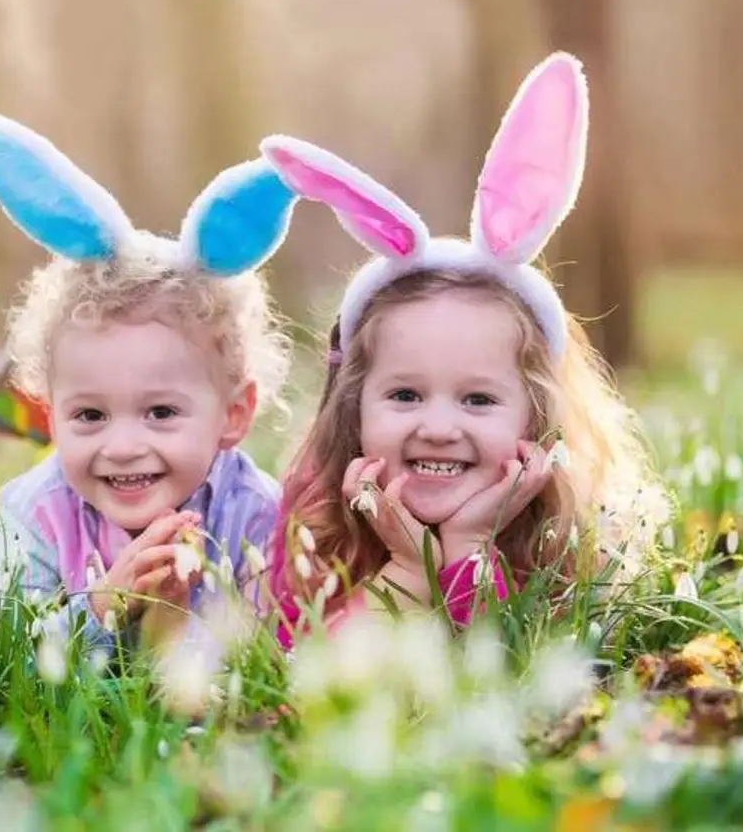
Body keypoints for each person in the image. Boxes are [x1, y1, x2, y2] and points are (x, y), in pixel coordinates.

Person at [260, 52, 664, 647]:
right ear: (354, 406)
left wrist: (470, 546)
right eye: (404, 394)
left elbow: (511, 677)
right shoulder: (317, 522)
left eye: (477, 399)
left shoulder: (565, 537)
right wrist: (406, 569)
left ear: (537, 415)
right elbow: (313, 678)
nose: (439, 426)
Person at [0, 112, 298, 653]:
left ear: (233, 413)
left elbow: (282, 650)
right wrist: (104, 605)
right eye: (90, 415)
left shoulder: (254, 513)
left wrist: (185, 624)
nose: (121, 447)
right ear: (49, 412)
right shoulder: (30, 516)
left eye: (161, 412)